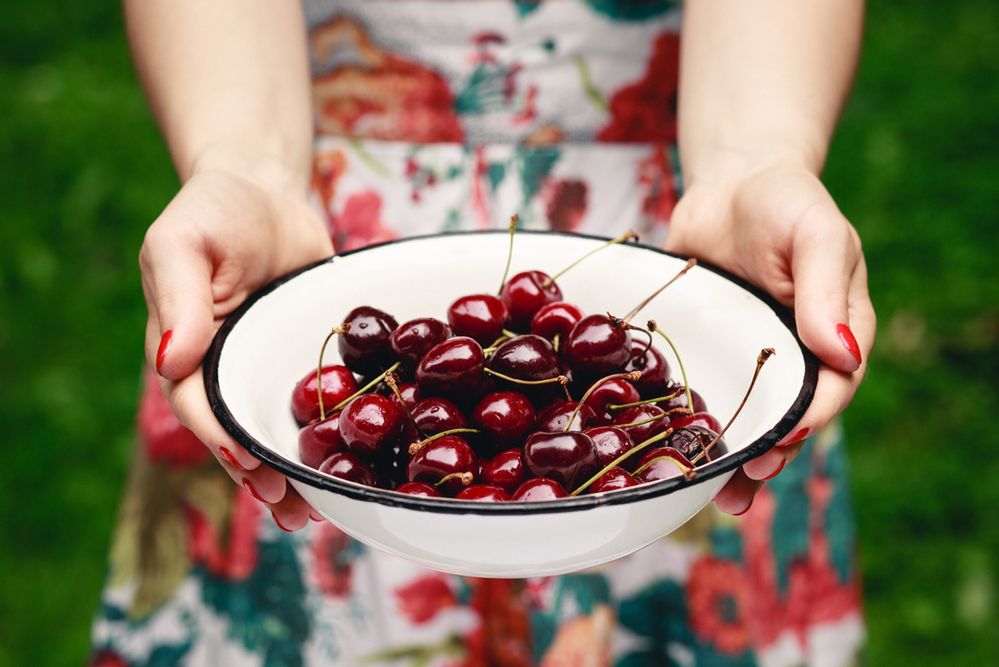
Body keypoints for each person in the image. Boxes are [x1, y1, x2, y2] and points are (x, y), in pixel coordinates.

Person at [91, 1, 875, 665]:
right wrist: (244, 167)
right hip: (304, 246)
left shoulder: (660, 376)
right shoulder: (333, 346)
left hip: (686, 248)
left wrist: (753, 160)